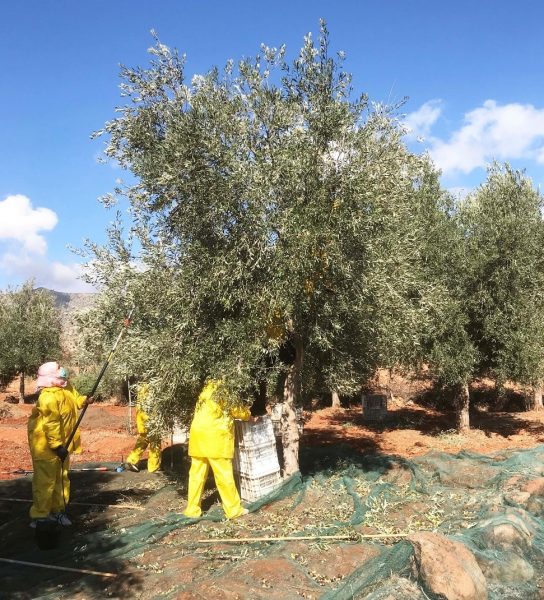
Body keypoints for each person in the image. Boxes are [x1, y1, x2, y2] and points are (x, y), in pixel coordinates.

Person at [27, 361, 94, 528]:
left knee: (62, 479)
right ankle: (41, 517)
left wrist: (84, 400)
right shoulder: (48, 397)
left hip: (63, 444)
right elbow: (51, 424)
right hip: (46, 447)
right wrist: (56, 446)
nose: (62, 371)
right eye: (58, 370)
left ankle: (58, 511)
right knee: (45, 481)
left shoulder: (66, 388)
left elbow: (75, 399)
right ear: (50, 378)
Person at [183, 380, 252, 520]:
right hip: (216, 438)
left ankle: (192, 510)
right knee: (224, 475)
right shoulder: (224, 389)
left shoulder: (206, 388)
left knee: (196, 476)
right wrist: (248, 413)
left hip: (198, 437)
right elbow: (237, 411)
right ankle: (233, 510)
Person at [125, 383, 162, 473]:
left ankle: (132, 459)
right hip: (149, 417)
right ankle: (154, 467)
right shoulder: (154, 386)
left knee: (144, 438)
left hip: (141, 416)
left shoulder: (142, 386)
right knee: (155, 441)